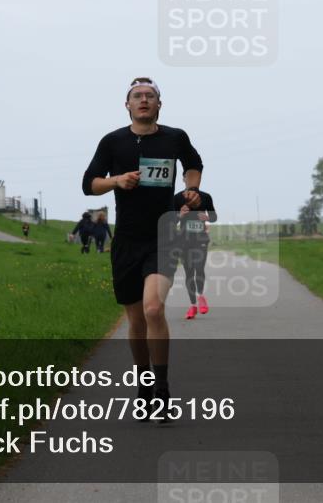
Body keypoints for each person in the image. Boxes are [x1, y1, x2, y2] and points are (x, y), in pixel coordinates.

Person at [82, 77, 203, 421]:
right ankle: (144, 386)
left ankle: (162, 391)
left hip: (164, 236)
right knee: (135, 320)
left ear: (159, 104)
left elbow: (194, 164)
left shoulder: (175, 137)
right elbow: (89, 183)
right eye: (138, 96)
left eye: (151, 96)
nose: (145, 100)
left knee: (153, 309)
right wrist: (116, 181)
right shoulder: (113, 141)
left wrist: (191, 189)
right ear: (128, 105)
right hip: (127, 241)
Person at [174, 189, 217, 319]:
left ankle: (201, 297)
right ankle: (193, 306)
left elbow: (214, 217)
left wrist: (208, 217)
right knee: (189, 273)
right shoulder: (177, 198)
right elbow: (170, 221)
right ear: (183, 178)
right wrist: (179, 215)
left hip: (201, 240)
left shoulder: (205, 196)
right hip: (184, 242)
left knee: (199, 268)